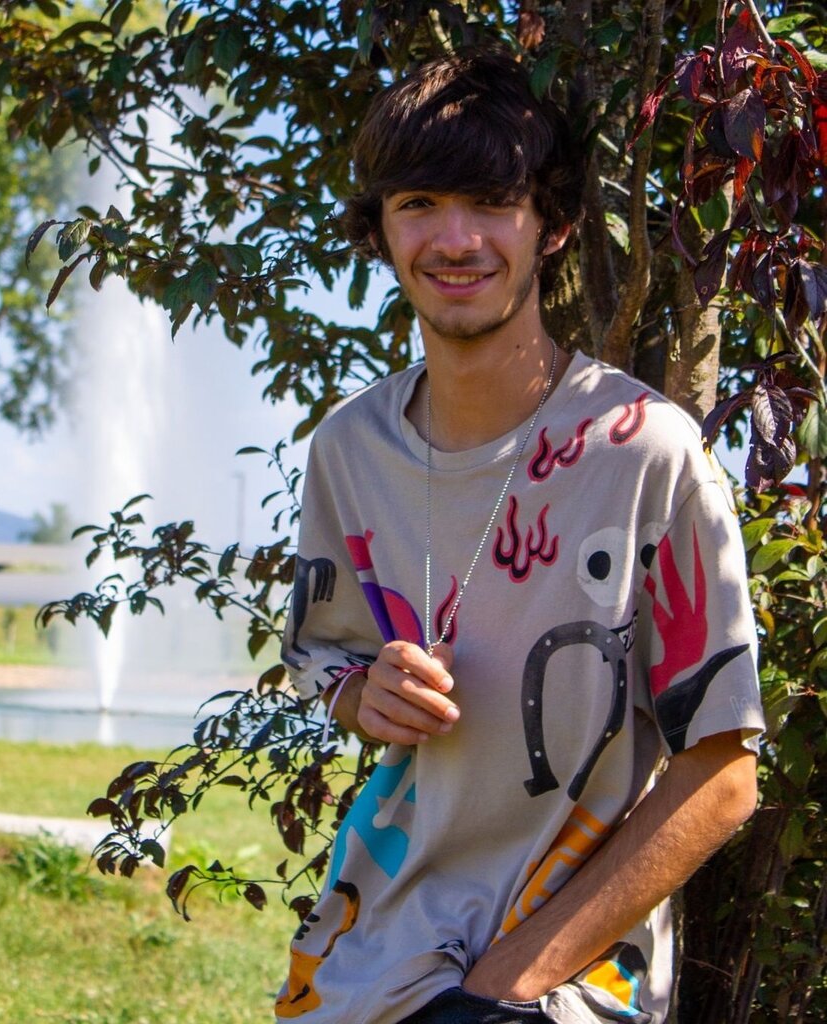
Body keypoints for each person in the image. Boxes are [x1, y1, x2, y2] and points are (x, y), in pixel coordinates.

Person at [275, 48, 765, 1024]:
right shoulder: (348, 447)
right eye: (418, 203)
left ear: (553, 226)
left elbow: (723, 774)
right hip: (366, 957)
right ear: (379, 230)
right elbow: (324, 658)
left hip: (561, 980)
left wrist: (508, 980)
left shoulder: (643, 453)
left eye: (491, 202)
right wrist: (361, 694)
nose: (454, 239)